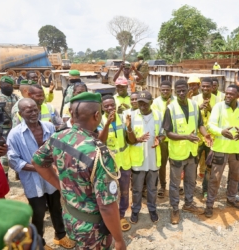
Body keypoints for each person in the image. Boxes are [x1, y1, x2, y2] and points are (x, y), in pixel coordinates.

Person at [32, 92, 126, 250]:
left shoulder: (58, 137)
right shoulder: (99, 153)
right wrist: (119, 239)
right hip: (93, 230)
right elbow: (106, 206)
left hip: (70, 216)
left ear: (72, 115)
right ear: (97, 115)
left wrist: (60, 186)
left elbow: (37, 162)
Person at [7, 98, 75, 250]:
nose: (33, 113)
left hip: (52, 177)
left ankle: (60, 236)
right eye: (28, 110)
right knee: (38, 213)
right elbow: (13, 161)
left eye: (35, 109)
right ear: (20, 113)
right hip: (32, 180)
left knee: (56, 207)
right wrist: (38, 168)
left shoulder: (49, 127)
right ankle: (39, 243)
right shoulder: (15, 134)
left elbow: (57, 150)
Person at [162, 79, 212, 224]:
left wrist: (205, 134)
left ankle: (188, 204)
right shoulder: (170, 108)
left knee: (191, 180)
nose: (182, 93)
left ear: (188, 90)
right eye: (179, 91)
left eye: (184, 90)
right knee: (175, 184)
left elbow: (200, 124)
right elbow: (168, 133)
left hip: (192, 152)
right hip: (177, 153)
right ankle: (175, 209)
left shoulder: (194, 105)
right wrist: (186, 137)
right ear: (175, 92)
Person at [205, 85, 239, 217]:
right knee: (215, 178)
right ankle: (210, 204)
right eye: (226, 93)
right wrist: (221, 131)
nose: (228, 96)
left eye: (231, 94)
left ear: (238, 95)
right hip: (220, 149)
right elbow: (210, 125)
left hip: (236, 149)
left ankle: (231, 198)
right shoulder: (219, 107)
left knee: (235, 176)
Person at [128, 91, 164, 224]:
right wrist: (135, 136)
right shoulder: (131, 116)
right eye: (140, 103)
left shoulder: (158, 115)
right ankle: (135, 210)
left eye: (145, 103)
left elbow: (162, 133)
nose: (142, 106)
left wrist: (159, 139)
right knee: (137, 189)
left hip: (153, 159)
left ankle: (152, 209)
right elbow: (128, 139)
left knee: (152, 188)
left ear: (151, 103)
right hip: (138, 160)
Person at [99, 95, 132, 232]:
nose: (110, 108)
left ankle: (121, 215)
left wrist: (129, 128)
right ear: (102, 107)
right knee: (110, 191)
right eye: (106, 106)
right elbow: (100, 140)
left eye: (112, 105)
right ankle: (110, 217)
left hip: (124, 161)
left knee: (124, 191)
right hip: (108, 164)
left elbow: (129, 139)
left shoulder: (123, 118)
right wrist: (107, 124)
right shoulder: (99, 120)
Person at [192, 77, 216, 199]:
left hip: (211, 139)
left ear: (212, 87)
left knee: (209, 166)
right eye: (204, 86)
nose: (205, 88)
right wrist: (198, 109)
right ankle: (191, 187)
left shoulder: (218, 100)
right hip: (197, 138)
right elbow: (190, 117)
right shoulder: (194, 99)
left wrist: (211, 109)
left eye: (208, 86)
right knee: (193, 164)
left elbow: (220, 118)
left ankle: (205, 189)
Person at [151, 80, 174, 198]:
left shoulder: (176, 101)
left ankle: (176, 185)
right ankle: (163, 186)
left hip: (175, 138)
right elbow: (158, 119)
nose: (165, 91)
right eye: (163, 90)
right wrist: (166, 107)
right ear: (159, 90)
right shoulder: (155, 103)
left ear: (171, 90)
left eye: (167, 90)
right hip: (163, 138)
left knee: (176, 164)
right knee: (162, 164)